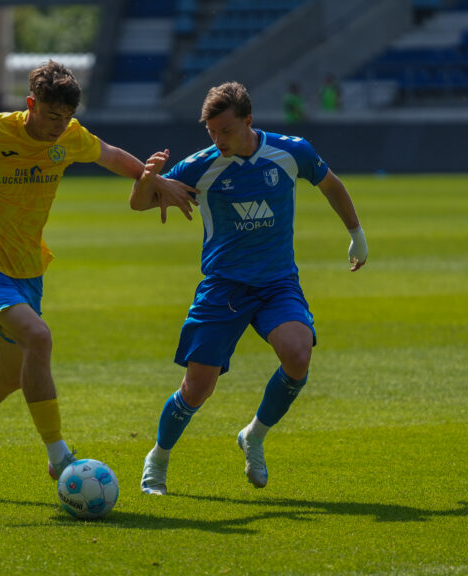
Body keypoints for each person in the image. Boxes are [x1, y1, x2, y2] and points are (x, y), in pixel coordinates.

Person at [0, 60, 198, 481]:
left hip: (28, 270)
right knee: (39, 337)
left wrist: (155, 180)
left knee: (10, 375)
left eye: (66, 117)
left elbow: (112, 156)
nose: (58, 125)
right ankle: (59, 455)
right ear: (31, 103)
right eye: (51, 115)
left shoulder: (69, 138)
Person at [129, 81, 368, 495]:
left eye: (225, 131)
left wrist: (357, 235)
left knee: (298, 354)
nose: (217, 140)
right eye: (211, 132)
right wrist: (148, 180)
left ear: (248, 121)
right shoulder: (201, 166)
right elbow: (141, 202)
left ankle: (254, 434)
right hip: (223, 287)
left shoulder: (292, 151)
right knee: (198, 387)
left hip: (277, 283)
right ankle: (158, 457)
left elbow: (331, 185)